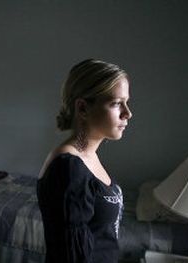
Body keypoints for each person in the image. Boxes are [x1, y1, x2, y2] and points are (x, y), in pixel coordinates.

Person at [37, 59, 132, 263]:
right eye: (116, 103)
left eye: (126, 102)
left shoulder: (88, 156)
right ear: (82, 108)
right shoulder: (69, 167)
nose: (128, 113)